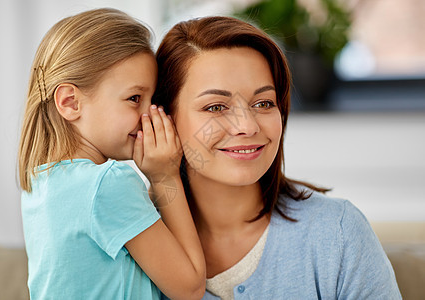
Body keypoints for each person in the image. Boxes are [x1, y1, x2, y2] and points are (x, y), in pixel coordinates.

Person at [154, 16, 402, 299]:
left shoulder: (338, 233)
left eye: (263, 103)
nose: (247, 126)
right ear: (162, 118)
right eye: (216, 107)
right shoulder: (129, 237)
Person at [17, 8, 205, 299]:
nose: (149, 116)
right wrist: (166, 175)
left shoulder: (41, 182)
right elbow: (190, 288)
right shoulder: (109, 184)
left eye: (152, 100)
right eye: (134, 99)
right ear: (70, 102)